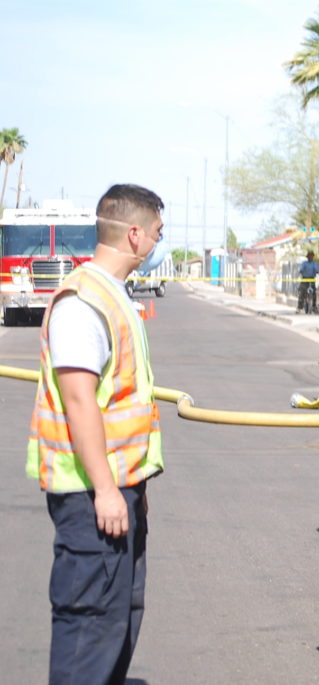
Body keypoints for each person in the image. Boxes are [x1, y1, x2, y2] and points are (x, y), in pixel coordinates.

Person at [26, 183, 167, 685]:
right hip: (89, 496)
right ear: (134, 234)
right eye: (157, 232)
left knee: (116, 623)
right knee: (88, 632)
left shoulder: (115, 296)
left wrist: (133, 486)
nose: (159, 242)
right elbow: (79, 399)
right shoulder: (83, 302)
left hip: (117, 491)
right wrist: (106, 489)